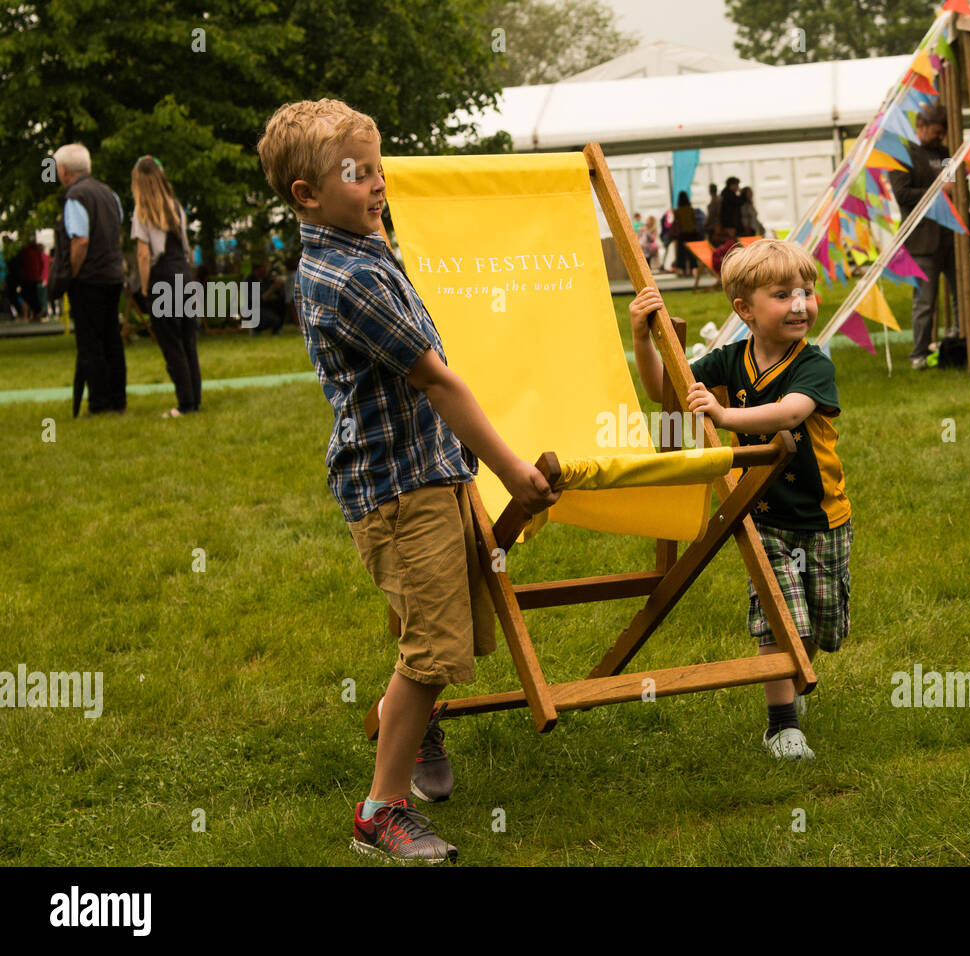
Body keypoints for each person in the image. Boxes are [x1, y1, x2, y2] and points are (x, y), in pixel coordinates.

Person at [257, 98, 557, 863]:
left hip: (430, 473)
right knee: (430, 647)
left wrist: (372, 206)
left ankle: (415, 732)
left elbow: (377, 231)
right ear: (307, 196)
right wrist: (512, 471)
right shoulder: (346, 278)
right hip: (400, 490)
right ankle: (380, 810)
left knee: (447, 635)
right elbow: (439, 382)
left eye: (379, 169)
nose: (379, 185)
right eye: (360, 175)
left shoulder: (360, 245)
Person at [628, 239, 852, 761]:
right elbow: (667, 391)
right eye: (783, 294)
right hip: (762, 516)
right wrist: (643, 338)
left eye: (807, 291)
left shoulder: (812, 364)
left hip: (822, 518)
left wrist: (725, 417)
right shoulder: (731, 360)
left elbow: (790, 413)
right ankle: (781, 724)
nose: (800, 304)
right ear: (744, 310)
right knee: (780, 618)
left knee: (819, 625)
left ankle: (793, 682)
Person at [50, 143, 127, 415]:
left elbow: (80, 240)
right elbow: (116, 231)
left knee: (90, 343)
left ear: (63, 170)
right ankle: (118, 399)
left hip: (89, 278)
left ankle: (100, 401)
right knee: (112, 340)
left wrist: (71, 273)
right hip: (113, 275)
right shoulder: (109, 194)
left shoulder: (75, 197)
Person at [131, 155, 202, 417]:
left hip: (161, 276)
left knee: (171, 344)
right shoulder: (176, 207)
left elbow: (142, 253)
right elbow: (186, 247)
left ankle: (184, 404)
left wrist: (146, 286)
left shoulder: (142, 212)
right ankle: (194, 399)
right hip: (183, 274)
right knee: (188, 341)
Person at [889, 104, 957, 370]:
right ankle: (918, 353)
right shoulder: (903, 154)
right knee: (925, 302)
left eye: (943, 132)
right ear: (922, 126)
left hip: (949, 235)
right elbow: (902, 195)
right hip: (921, 239)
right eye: (937, 131)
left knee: (959, 293)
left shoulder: (945, 153)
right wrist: (937, 189)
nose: (940, 137)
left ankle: (955, 343)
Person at [673, 190, 700, 276]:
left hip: (683, 234)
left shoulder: (677, 211)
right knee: (692, 253)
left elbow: (677, 223)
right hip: (692, 234)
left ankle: (683, 271)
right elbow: (694, 221)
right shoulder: (691, 210)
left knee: (681, 253)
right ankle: (693, 270)